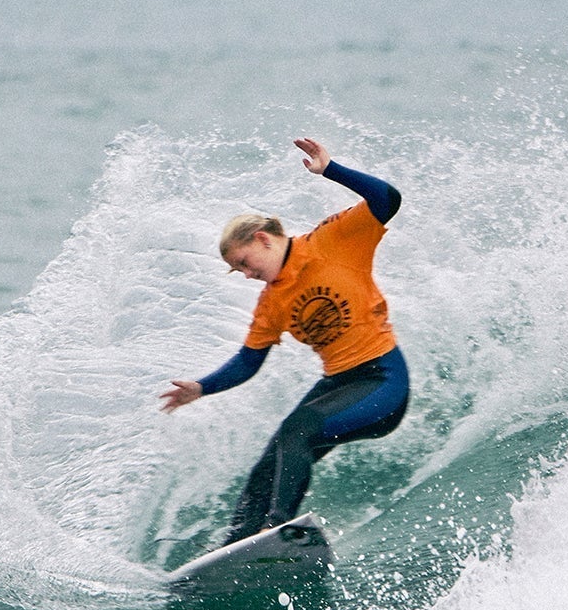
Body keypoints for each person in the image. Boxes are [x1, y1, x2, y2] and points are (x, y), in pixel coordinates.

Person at [159, 138, 409, 545]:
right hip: (339, 384)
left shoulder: (333, 241)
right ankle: (236, 548)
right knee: (272, 459)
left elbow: (387, 198)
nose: (244, 274)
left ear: (263, 239)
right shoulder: (271, 302)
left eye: (243, 262)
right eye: (235, 270)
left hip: (382, 381)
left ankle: (277, 532)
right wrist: (202, 387)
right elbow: (247, 362)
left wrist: (331, 170)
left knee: (299, 431)